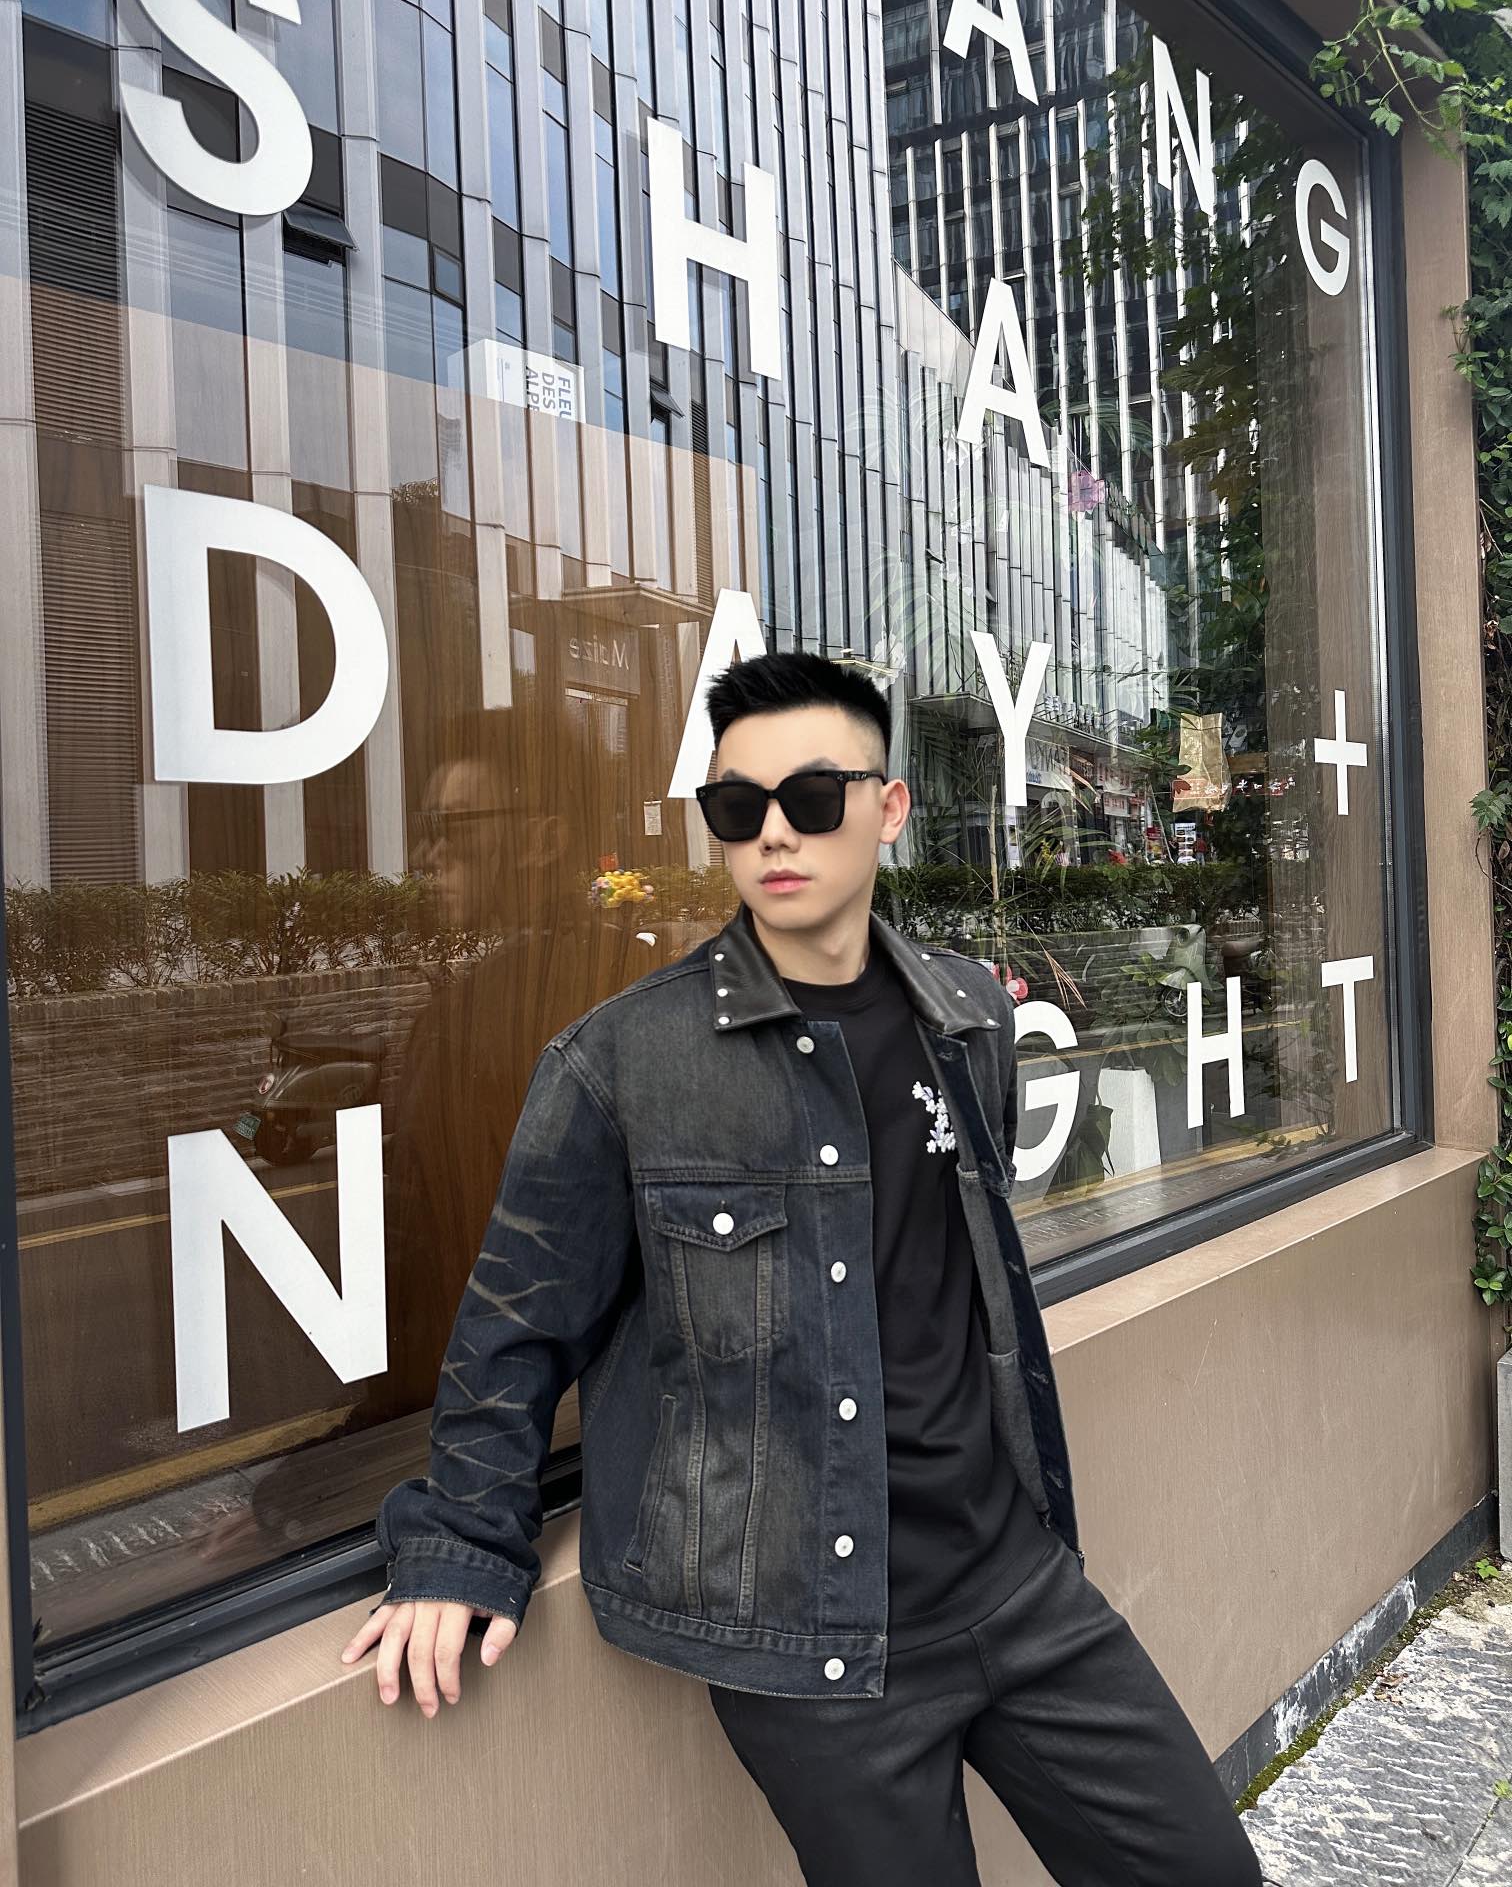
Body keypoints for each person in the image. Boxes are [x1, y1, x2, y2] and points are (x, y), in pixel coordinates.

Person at [340, 652, 1262, 1886]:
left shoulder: (968, 1019)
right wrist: (462, 1543)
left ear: (890, 809)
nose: (774, 832)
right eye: (739, 807)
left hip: (1019, 1585)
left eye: (813, 797)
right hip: (815, 1648)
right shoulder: (623, 1064)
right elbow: (516, 1326)